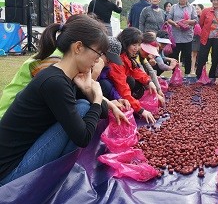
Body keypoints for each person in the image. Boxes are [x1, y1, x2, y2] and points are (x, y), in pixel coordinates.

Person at [0, 15, 129, 186]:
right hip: (10, 177)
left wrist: (88, 90)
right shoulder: (55, 82)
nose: (98, 60)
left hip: (22, 160)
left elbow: (103, 113)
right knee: (83, 109)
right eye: (98, 53)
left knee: (83, 105)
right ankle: (54, 181)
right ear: (78, 48)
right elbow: (82, 138)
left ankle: (58, 176)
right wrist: (97, 99)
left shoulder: (66, 77)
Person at [108, 28, 157, 124]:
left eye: (139, 45)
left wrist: (149, 81)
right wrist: (141, 110)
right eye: (134, 45)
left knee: (135, 83)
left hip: (119, 90)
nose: (137, 48)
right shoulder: (117, 61)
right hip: (111, 91)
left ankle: (130, 107)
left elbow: (135, 71)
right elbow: (123, 89)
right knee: (130, 82)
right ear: (126, 44)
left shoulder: (126, 56)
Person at [196, 0, 218, 79]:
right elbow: (201, 23)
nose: (216, 2)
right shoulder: (206, 11)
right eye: (214, 0)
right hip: (206, 37)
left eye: (217, 0)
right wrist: (207, 31)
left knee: (216, 58)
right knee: (202, 56)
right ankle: (199, 75)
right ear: (212, 0)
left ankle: (212, 76)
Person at [166, 0, 198, 75]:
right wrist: (174, 24)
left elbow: (196, 20)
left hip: (187, 37)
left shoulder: (192, 8)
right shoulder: (174, 7)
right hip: (175, 37)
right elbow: (168, 18)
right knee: (175, 56)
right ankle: (175, 73)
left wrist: (188, 22)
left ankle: (187, 74)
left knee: (187, 57)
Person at [190, 3, 204, 75]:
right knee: (194, 54)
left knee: (201, 54)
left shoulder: (204, 18)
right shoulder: (194, 18)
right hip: (195, 38)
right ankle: (192, 69)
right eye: (195, 9)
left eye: (198, 9)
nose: (196, 10)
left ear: (202, 9)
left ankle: (200, 69)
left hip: (202, 38)